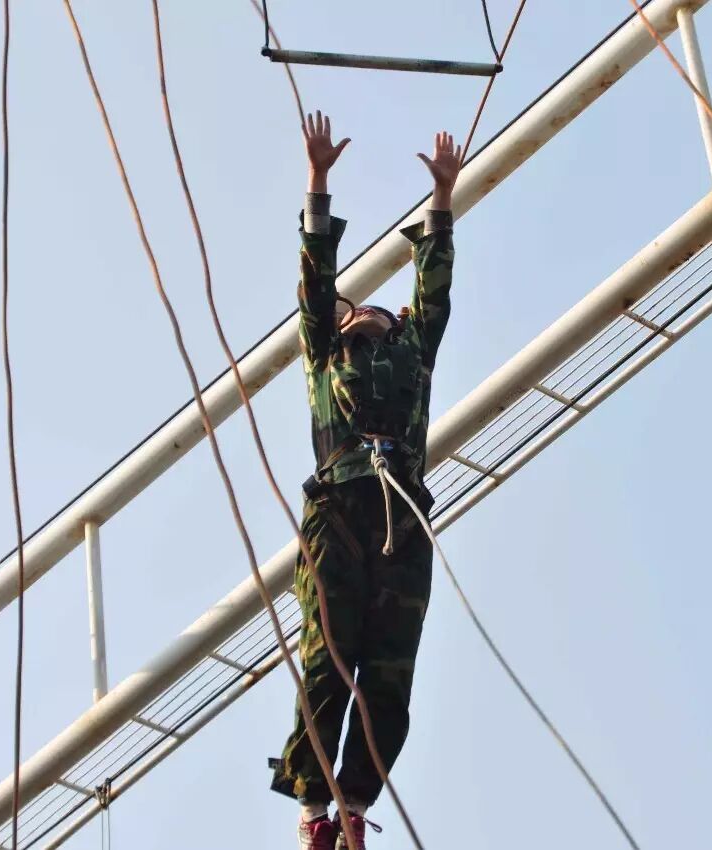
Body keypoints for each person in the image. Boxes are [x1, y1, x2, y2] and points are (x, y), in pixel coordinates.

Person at [269, 110, 460, 850]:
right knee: (327, 665)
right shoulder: (325, 358)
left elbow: (434, 295)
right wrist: (317, 181)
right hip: (342, 511)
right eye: (355, 314)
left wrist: (442, 197)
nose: (364, 314)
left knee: (386, 680)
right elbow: (315, 287)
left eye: (379, 313)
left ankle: (352, 806)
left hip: (402, 520)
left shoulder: (414, 357)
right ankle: (314, 811)